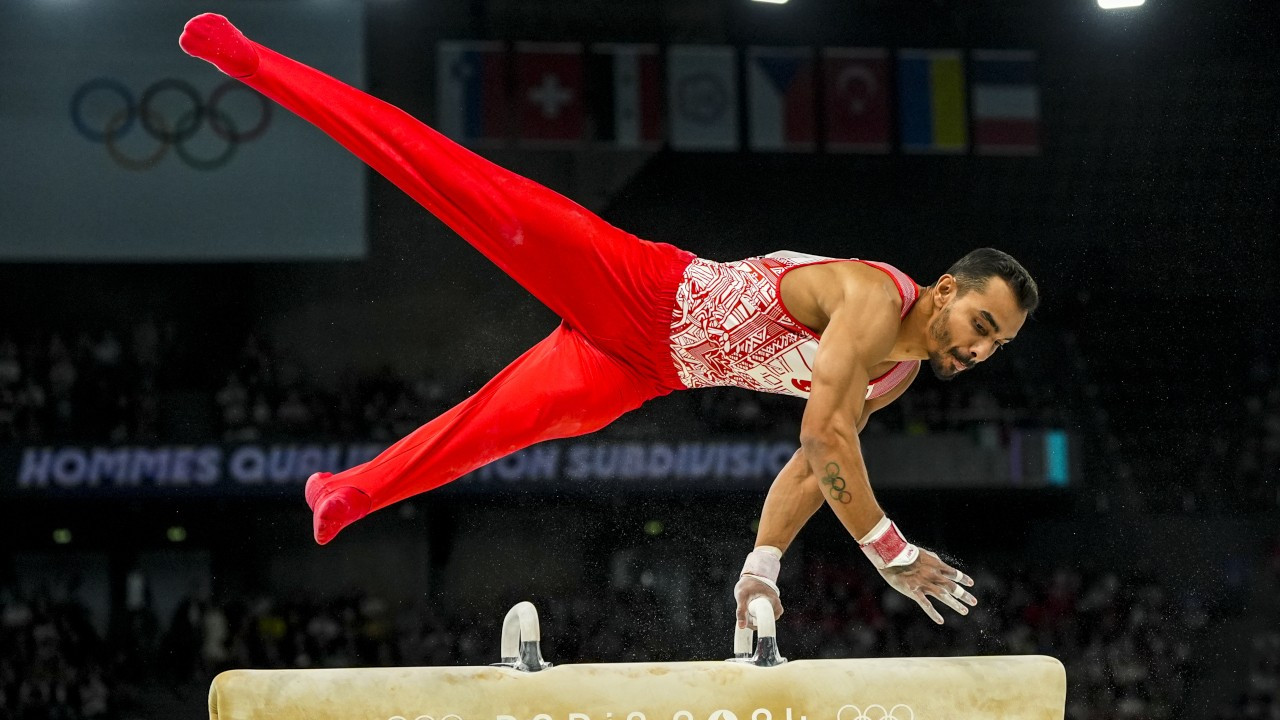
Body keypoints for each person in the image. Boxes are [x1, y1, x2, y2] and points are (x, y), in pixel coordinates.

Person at [179, 14, 1038, 628]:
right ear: (944, 287)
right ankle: (252, 62)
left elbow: (813, 472)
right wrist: (891, 552)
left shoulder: (899, 372)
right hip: (637, 286)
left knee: (485, 433)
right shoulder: (867, 297)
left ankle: (346, 491)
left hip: (642, 373)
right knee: (449, 176)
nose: (981, 345)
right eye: (982, 319)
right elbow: (823, 437)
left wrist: (762, 568)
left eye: (997, 341)